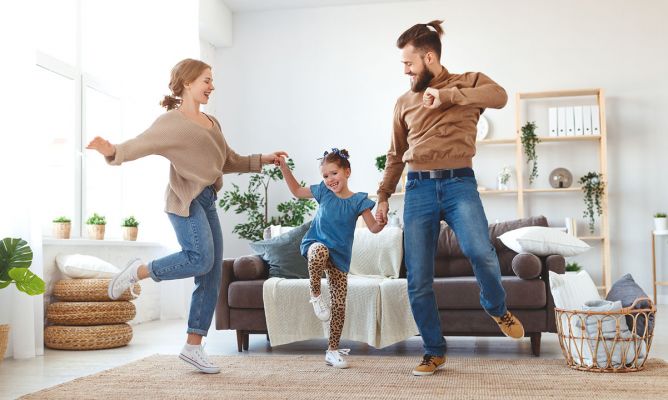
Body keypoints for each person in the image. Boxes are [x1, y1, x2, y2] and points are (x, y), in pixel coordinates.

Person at [86, 58, 286, 374]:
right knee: (201, 258)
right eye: (207, 79)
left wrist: (264, 159)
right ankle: (140, 271)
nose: (212, 85)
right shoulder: (171, 122)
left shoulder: (212, 122)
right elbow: (139, 145)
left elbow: (228, 160)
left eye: (212, 80)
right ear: (188, 82)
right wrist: (112, 150)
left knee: (210, 275)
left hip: (207, 200)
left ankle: (193, 347)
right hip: (184, 200)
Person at [375, 20, 525, 376]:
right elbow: (396, 154)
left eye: (409, 63)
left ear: (429, 57)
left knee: (480, 251)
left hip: (460, 184)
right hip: (418, 188)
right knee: (418, 277)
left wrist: (448, 96)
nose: (406, 70)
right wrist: (383, 195)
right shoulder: (403, 102)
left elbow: (499, 96)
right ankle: (434, 351)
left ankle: (495, 306)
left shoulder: (469, 82)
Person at [276, 148, 385, 368]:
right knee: (319, 251)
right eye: (325, 176)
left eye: (333, 174)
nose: (329, 180)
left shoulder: (359, 201)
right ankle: (315, 294)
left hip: (339, 257)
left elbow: (373, 228)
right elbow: (297, 191)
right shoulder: (323, 193)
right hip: (316, 245)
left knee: (339, 304)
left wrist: (382, 221)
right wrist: (284, 168)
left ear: (347, 172)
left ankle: (332, 351)